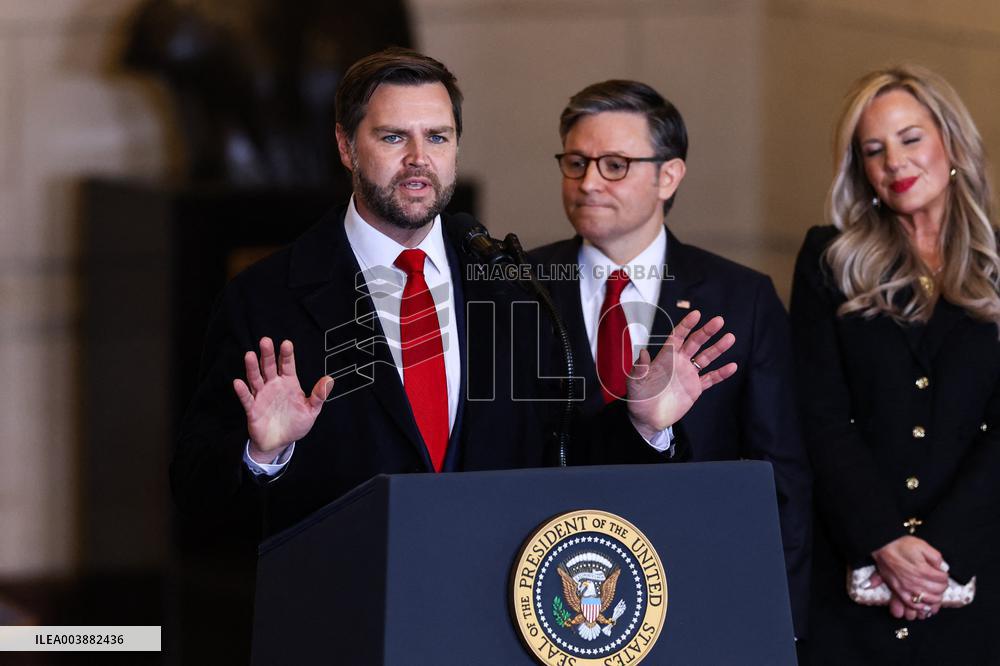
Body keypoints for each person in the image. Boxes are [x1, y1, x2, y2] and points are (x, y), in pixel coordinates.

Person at [171, 49, 738, 537]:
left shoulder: (514, 288)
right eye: (394, 137)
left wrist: (643, 425)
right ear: (346, 146)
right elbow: (196, 495)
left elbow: (564, 464)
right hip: (343, 618)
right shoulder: (265, 296)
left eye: (437, 137)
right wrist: (263, 455)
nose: (419, 158)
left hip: (490, 616)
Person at [531, 80, 813, 639]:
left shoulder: (741, 298)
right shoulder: (516, 288)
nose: (588, 183)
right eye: (575, 162)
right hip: (547, 593)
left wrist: (782, 626)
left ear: (669, 175)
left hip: (696, 592)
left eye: (614, 165)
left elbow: (780, 477)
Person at [791, 65, 1000, 664]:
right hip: (853, 574)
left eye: (911, 139)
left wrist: (939, 555)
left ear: (950, 141)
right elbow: (820, 416)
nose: (895, 164)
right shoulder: (827, 260)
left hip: (976, 571)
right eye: (873, 150)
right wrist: (883, 540)